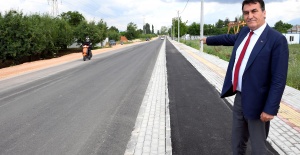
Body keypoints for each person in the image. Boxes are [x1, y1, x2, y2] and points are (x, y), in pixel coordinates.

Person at [201, 0, 289, 154]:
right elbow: (228, 39)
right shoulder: (243, 32)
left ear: (264, 13)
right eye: (246, 12)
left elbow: (279, 79)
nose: (250, 16)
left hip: (259, 102)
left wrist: (270, 108)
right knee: (237, 143)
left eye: (254, 11)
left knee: (258, 147)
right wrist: (208, 39)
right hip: (240, 98)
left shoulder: (276, 39)